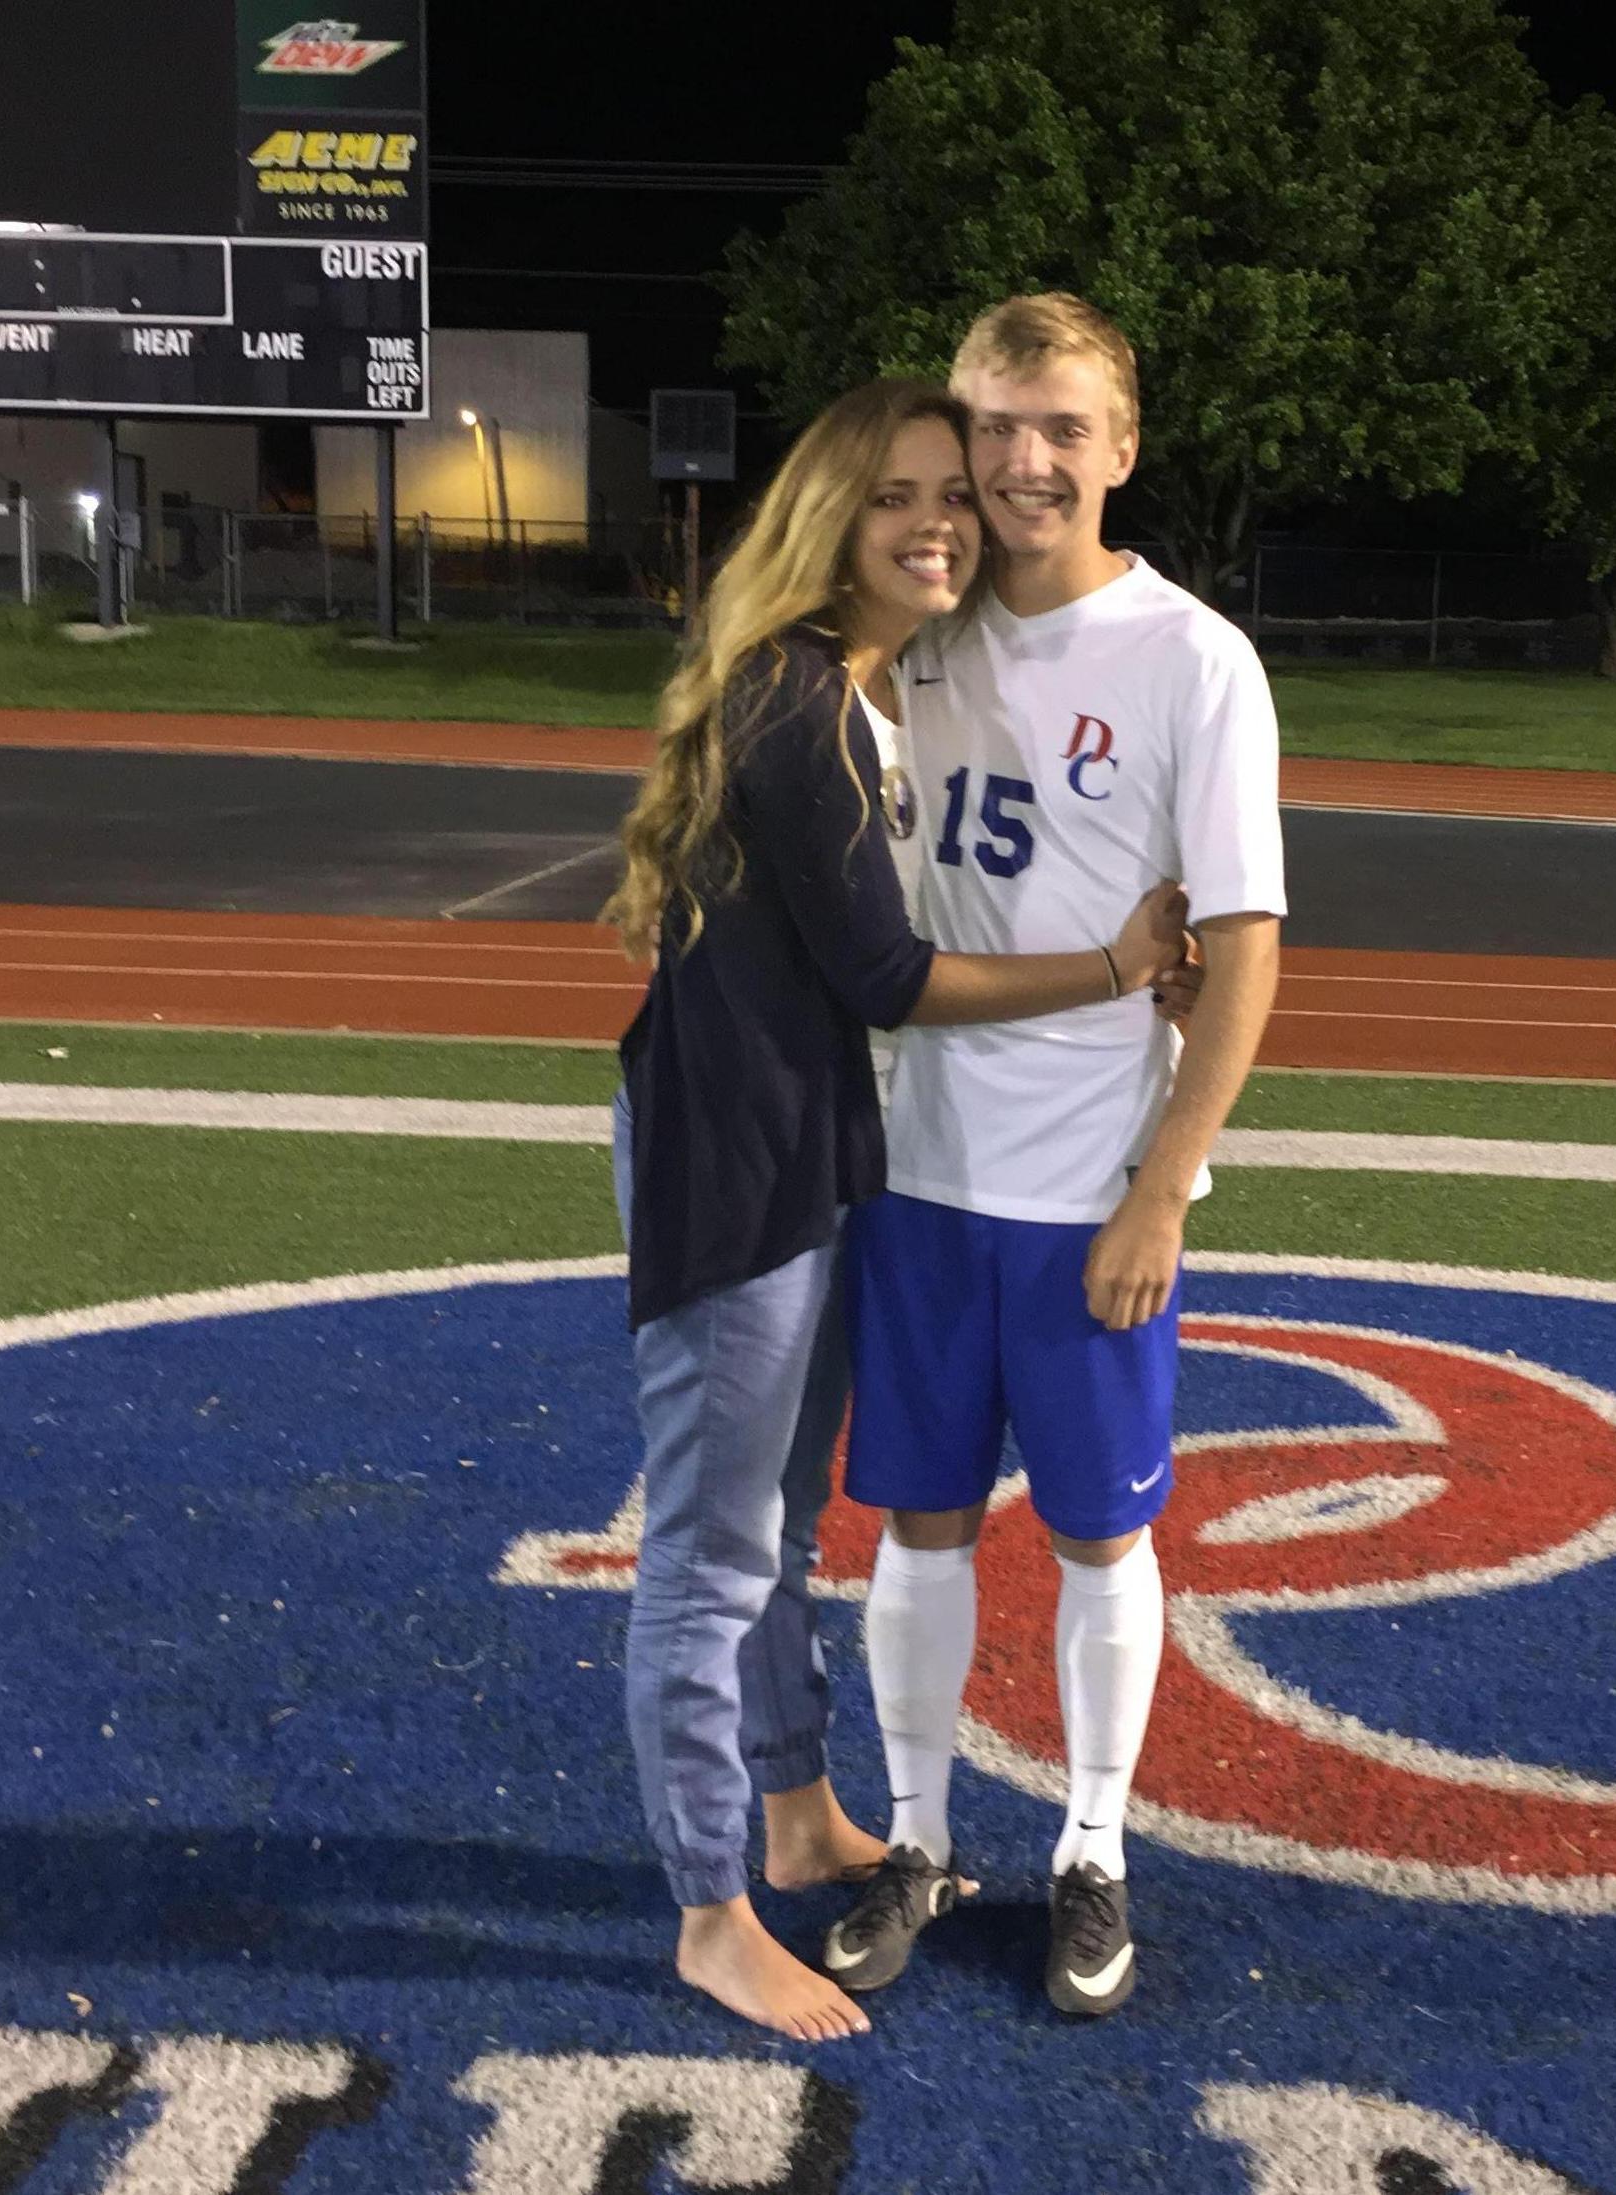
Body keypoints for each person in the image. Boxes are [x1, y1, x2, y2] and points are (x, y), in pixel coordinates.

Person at [603, 376, 1187, 2043]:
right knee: (712, 1559)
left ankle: (793, 1810)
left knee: (775, 1531)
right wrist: (1113, 966)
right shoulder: (798, 702)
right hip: (740, 1156)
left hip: (797, 1139)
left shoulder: (863, 687)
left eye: (954, 489)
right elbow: (882, 970)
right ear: (826, 522)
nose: (940, 518)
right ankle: (711, 1910)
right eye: (897, 496)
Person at [830, 297, 1287, 2016]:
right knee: (919, 1525)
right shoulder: (907, 635)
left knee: (1101, 1535)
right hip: (919, 1174)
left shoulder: (1191, 657)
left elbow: (1241, 948)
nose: (1023, 462)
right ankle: (920, 1834)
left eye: (1060, 428)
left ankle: (1093, 1845)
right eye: (995, 424)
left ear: (1123, 446)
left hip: (1090, 1190)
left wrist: (1163, 1185)